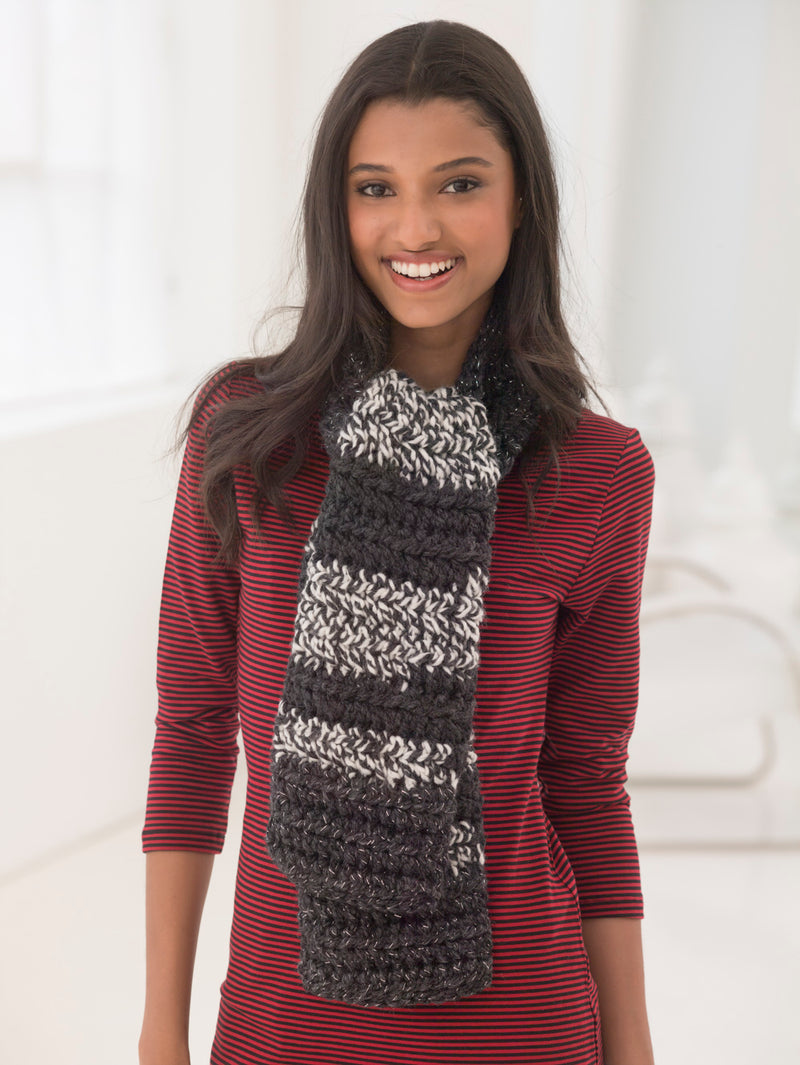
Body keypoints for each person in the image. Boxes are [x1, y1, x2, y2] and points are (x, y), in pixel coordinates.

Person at [139, 19, 656, 1065]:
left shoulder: (597, 471)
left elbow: (586, 780)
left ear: (522, 198)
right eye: (375, 188)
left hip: (521, 1021)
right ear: (336, 208)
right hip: (283, 1021)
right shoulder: (249, 436)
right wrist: (161, 1028)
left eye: (459, 184)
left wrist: (635, 1046)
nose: (414, 227)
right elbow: (192, 731)